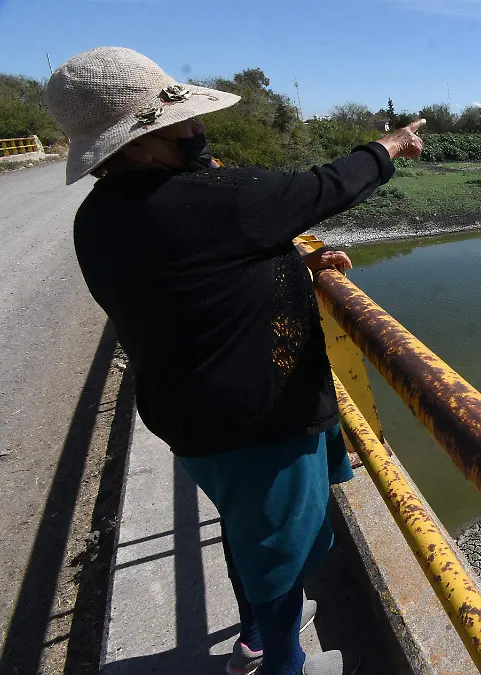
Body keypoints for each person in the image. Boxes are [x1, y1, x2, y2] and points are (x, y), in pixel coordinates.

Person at [44, 47, 425, 675]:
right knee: (285, 554)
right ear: (137, 144)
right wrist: (390, 145)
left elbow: (189, 288)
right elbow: (326, 187)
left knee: (248, 532)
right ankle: (279, 661)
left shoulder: (98, 218)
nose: (198, 128)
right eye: (178, 121)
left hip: (190, 419)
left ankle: (252, 636)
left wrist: (288, 266)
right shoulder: (219, 200)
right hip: (259, 422)